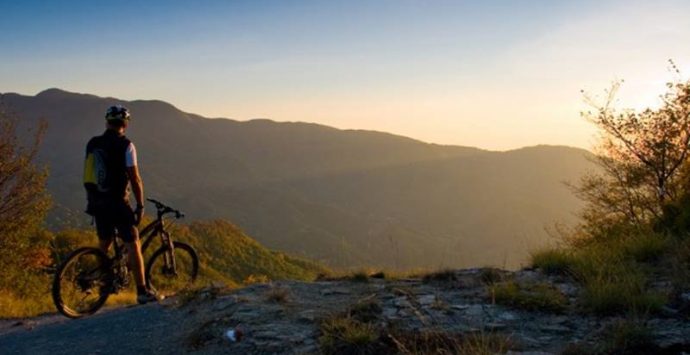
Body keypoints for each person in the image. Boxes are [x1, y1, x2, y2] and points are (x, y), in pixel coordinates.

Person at [83, 105, 159, 304]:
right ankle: (142, 291)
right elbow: (135, 179)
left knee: (104, 243)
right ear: (125, 124)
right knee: (133, 243)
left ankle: (101, 283)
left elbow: (90, 172)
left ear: (107, 122)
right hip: (117, 203)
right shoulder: (126, 145)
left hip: (96, 201)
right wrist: (140, 205)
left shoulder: (93, 143)